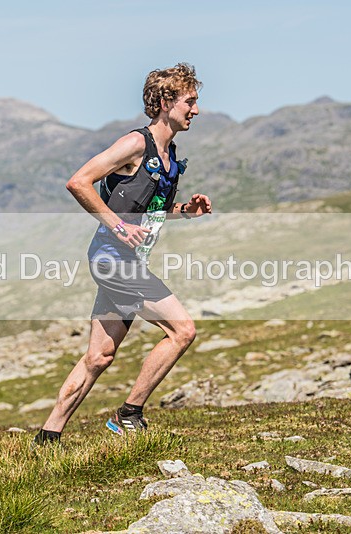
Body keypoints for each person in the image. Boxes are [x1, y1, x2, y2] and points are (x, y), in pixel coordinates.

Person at [34, 63, 212, 446]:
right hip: (113, 260)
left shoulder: (169, 154)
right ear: (166, 102)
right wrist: (117, 226)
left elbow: (147, 210)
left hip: (126, 262)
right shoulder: (136, 144)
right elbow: (78, 181)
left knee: (99, 357)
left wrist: (185, 211)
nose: (195, 110)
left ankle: (47, 439)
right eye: (190, 101)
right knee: (183, 330)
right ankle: (128, 415)